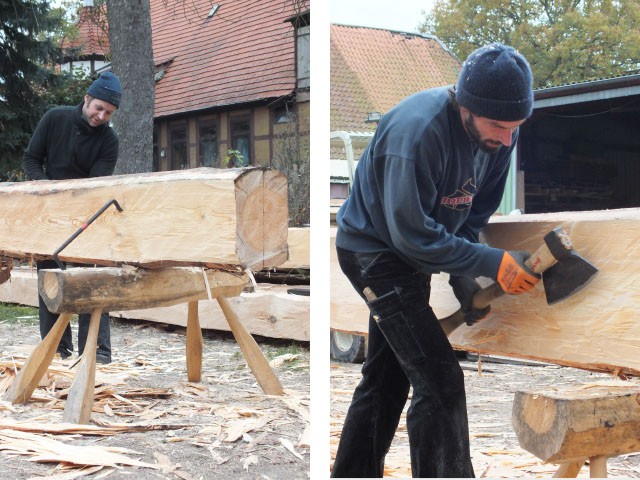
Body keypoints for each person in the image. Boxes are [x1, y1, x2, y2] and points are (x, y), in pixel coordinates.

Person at [331, 43, 540, 478]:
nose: (507, 139)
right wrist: (492, 262)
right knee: (441, 380)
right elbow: (412, 236)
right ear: (466, 106)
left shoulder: (502, 134)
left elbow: (472, 216)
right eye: (498, 126)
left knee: (387, 379)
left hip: (411, 254)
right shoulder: (416, 131)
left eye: (515, 127)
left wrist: (467, 275)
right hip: (374, 252)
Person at [23, 71, 122, 364]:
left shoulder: (109, 141)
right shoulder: (55, 118)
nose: (101, 116)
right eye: (98, 108)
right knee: (50, 281)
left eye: (108, 112)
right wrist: (47, 189)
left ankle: (96, 353)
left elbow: (94, 186)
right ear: (87, 99)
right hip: (49, 212)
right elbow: (31, 159)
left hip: (85, 216)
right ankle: (56, 349)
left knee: (90, 282)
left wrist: (72, 203)